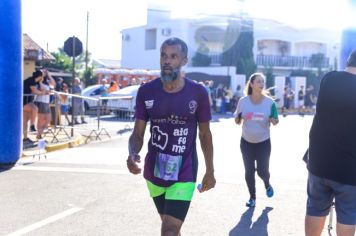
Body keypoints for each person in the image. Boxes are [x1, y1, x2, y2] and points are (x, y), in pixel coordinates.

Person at [126, 37, 216, 236]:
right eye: (163, 56)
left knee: (168, 230)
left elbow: (205, 135)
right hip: (154, 170)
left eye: (173, 56)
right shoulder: (146, 91)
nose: (167, 61)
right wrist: (133, 153)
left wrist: (210, 170)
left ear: (184, 60)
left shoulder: (198, 93)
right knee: (171, 228)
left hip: (185, 169)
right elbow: (138, 132)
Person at [305, 50, 356, 236]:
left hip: (319, 161)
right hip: (349, 166)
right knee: (349, 214)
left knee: (315, 208)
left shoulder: (329, 79)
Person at [234, 72, 279, 208]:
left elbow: (276, 121)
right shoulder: (243, 101)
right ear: (252, 84)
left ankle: (267, 183)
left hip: (263, 143)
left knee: (262, 171)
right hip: (246, 142)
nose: (261, 84)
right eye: (258, 81)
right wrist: (239, 118)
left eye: (262, 82)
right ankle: (252, 198)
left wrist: (272, 119)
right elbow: (237, 120)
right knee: (249, 171)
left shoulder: (269, 103)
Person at [33, 69, 56, 140]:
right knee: (41, 120)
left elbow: (53, 83)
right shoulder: (37, 81)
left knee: (48, 119)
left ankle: (39, 134)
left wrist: (49, 74)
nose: (44, 73)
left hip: (46, 102)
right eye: (43, 72)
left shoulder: (47, 82)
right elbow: (43, 90)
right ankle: (39, 135)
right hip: (40, 102)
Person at [23, 70, 43, 143]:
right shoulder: (30, 80)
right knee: (35, 108)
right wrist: (43, 93)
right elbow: (34, 91)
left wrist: (40, 82)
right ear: (40, 76)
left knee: (25, 121)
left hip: (28, 101)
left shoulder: (36, 82)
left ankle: (25, 138)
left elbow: (41, 89)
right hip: (24, 101)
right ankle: (32, 125)